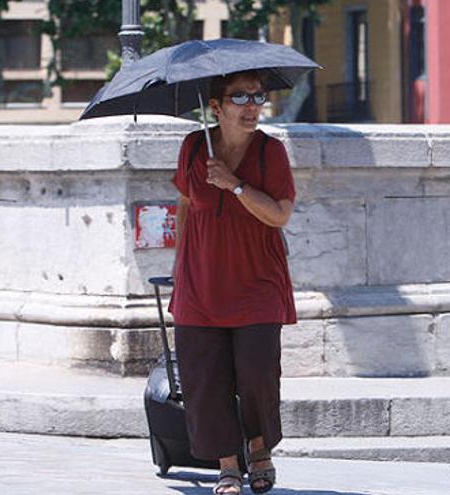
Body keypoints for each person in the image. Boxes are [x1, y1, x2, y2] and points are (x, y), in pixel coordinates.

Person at [169, 69, 296, 495]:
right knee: (205, 377)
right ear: (216, 108)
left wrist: (236, 185)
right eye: (240, 98)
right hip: (200, 281)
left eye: (258, 97)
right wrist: (180, 265)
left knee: (258, 373)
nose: (252, 106)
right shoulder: (192, 147)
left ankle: (259, 450)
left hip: (257, 281)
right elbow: (186, 203)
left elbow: (279, 214)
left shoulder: (270, 153)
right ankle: (227, 464)